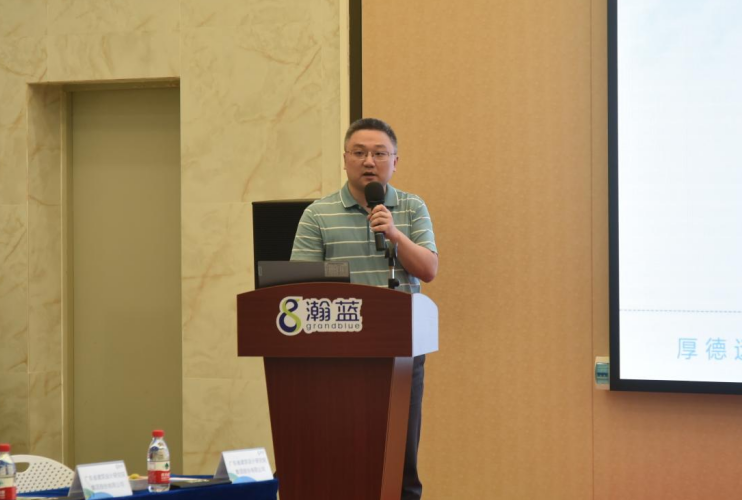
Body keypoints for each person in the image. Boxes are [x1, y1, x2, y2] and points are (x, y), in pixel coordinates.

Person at [291, 118, 438, 500]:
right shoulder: (318, 214)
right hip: (337, 355)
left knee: (400, 459)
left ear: (395, 161)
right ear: (345, 160)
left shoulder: (411, 207)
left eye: (379, 153)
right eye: (359, 153)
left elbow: (428, 269)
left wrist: (395, 234)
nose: (369, 161)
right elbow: (300, 287)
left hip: (402, 351)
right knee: (341, 456)